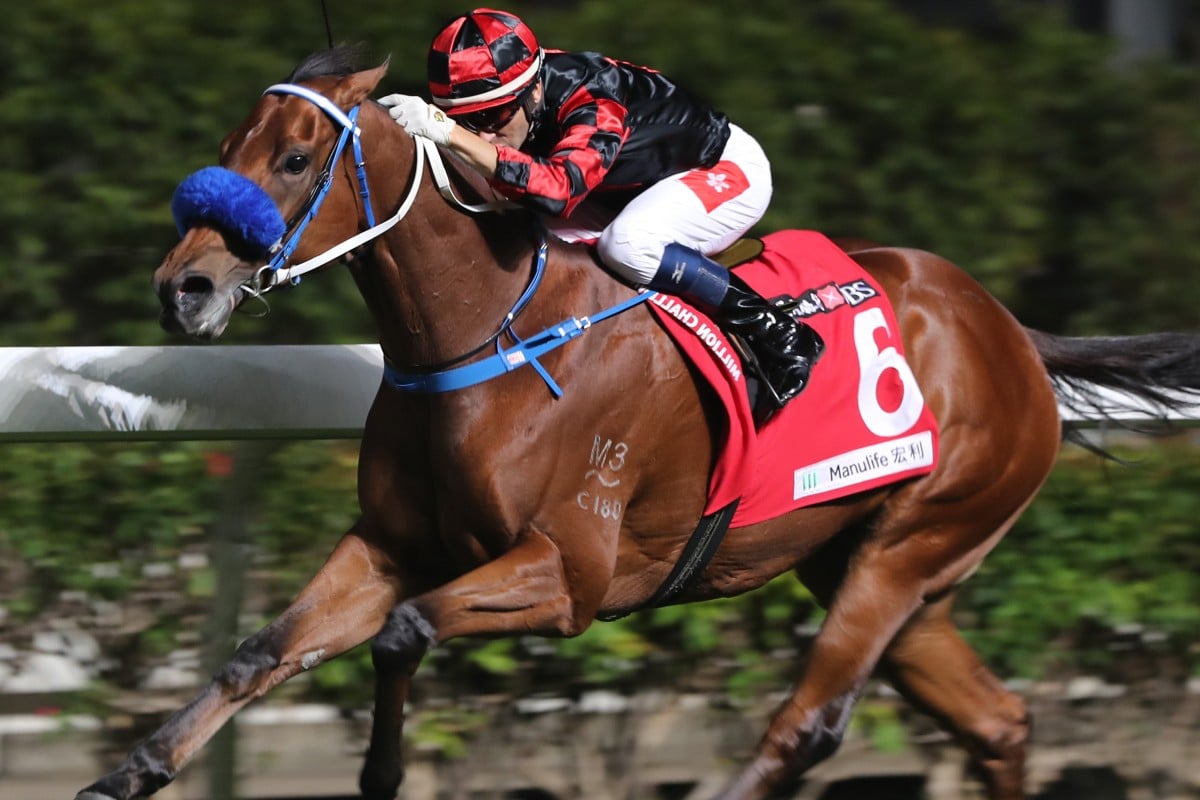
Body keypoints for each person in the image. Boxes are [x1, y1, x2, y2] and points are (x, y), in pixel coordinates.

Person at [378, 8, 823, 411]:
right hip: (620, 188)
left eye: (493, 119)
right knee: (525, 239)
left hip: (720, 169)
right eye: (466, 121)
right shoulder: (520, 89)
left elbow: (557, 190)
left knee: (627, 245)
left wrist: (449, 132)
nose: (483, 135)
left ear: (533, 90)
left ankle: (778, 332)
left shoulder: (593, 99)